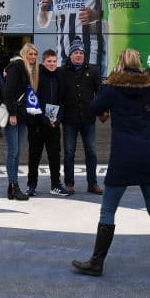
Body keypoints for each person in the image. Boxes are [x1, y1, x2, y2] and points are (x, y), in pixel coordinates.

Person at [71, 48, 150, 277]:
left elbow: (94, 108)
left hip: (122, 155)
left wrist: (109, 101)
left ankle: (97, 263)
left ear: (120, 63)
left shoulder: (113, 86)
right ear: (138, 63)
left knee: (108, 210)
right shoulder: (148, 85)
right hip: (147, 153)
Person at [58, 40, 102, 194]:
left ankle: (93, 184)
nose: (79, 55)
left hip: (88, 119)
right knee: (69, 153)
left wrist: (102, 110)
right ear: (70, 55)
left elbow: (100, 93)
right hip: (69, 120)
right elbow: (57, 95)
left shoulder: (93, 71)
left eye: (81, 53)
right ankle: (69, 183)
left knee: (91, 152)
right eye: (76, 52)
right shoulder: (61, 71)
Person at [26, 49, 67, 197]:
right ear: (43, 62)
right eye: (49, 61)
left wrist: (58, 119)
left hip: (54, 125)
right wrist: (44, 119)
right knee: (34, 156)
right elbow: (32, 101)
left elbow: (63, 101)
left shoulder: (60, 76)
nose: (52, 64)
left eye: (54, 61)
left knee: (55, 156)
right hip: (36, 125)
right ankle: (31, 185)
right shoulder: (36, 76)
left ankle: (55, 185)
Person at [2, 43, 40, 200]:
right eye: (30, 54)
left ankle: (13, 186)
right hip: (13, 115)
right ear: (24, 54)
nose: (33, 57)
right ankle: (13, 186)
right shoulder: (16, 67)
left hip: (22, 116)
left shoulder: (30, 70)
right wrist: (12, 113)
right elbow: (8, 92)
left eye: (35, 55)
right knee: (13, 152)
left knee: (17, 153)